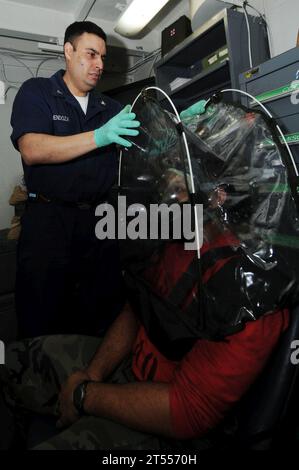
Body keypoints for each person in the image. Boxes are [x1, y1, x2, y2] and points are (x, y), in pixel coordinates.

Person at [0, 177, 289, 450]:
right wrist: (92, 373)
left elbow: (189, 411)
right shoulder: (189, 240)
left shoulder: (253, 302)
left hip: (164, 423)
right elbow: (138, 306)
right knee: (9, 360)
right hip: (124, 366)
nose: (174, 192)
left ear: (222, 196)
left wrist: (84, 395)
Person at [10, 21, 140, 338]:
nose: (99, 65)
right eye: (91, 54)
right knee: (41, 313)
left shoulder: (110, 108)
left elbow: (148, 144)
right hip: (49, 223)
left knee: (101, 311)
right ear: (68, 51)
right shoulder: (38, 91)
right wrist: (99, 136)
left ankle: (88, 383)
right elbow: (32, 149)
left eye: (103, 57)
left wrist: (183, 122)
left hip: (98, 222)